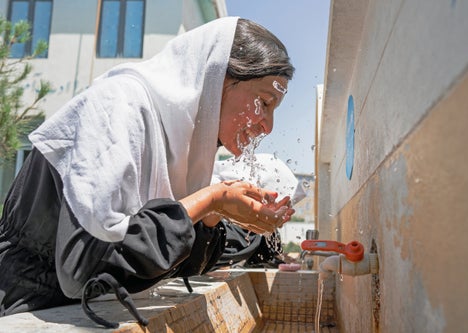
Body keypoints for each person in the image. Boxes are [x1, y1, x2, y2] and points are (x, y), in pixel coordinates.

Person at [0, 17, 295, 327]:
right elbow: (83, 269)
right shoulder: (120, 106)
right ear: (218, 77)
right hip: (23, 307)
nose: (268, 126)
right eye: (263, 102)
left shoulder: (179, 145)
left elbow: (164, 264)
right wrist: (211, 199)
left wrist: (211, 213)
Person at [210, 153, 306, 269]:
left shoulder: (249, 233)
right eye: (283, 208)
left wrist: (277, 258)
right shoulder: (246, 234)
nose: (283, 219)